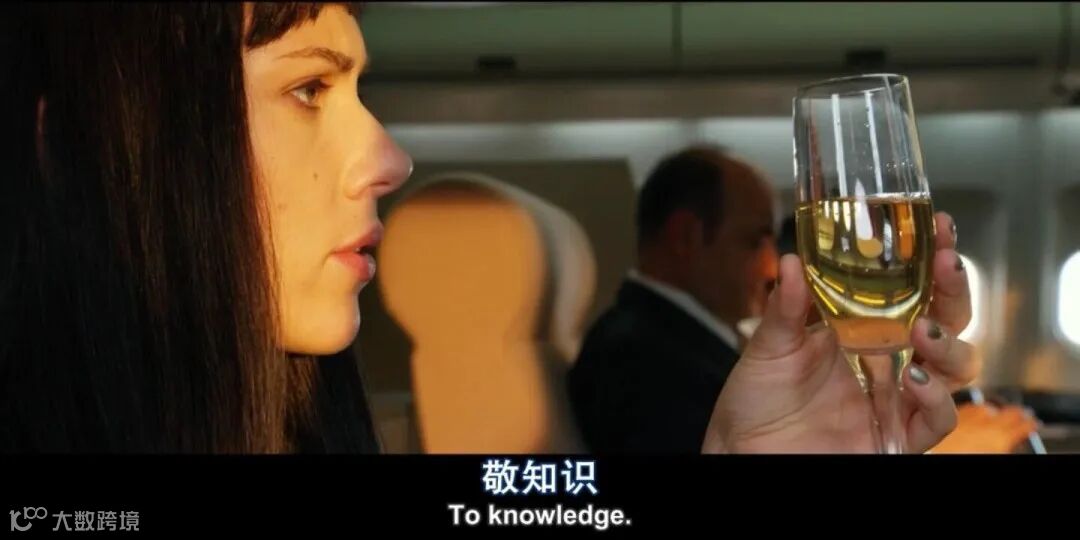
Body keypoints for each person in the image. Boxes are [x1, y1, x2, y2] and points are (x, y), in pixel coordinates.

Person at [1, 2, 976, 454]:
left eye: (358, 91)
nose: (390, 158)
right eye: (307, 89)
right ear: (82, 141)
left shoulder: (302, 418)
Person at [568, 147, 782, 453]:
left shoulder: (661, 345)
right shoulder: (643, 364)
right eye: (754, 242)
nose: (773, 268)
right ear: (686, 236)